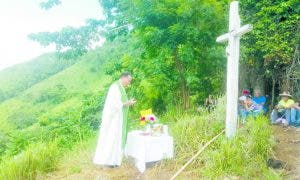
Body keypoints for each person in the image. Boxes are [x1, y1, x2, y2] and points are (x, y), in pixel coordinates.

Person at [93, 72, 136, 167]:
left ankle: (115, 161)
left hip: (118, 119)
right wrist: (127, 103)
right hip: (113, 120)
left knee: (116, 139)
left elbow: (119, 103)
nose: (129, 83)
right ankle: (108, 161)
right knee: (111, 139)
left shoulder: (121, 87)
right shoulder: (115, 87)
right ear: (123, 78)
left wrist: (127, 103)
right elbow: (113, 104)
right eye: (129, 81)